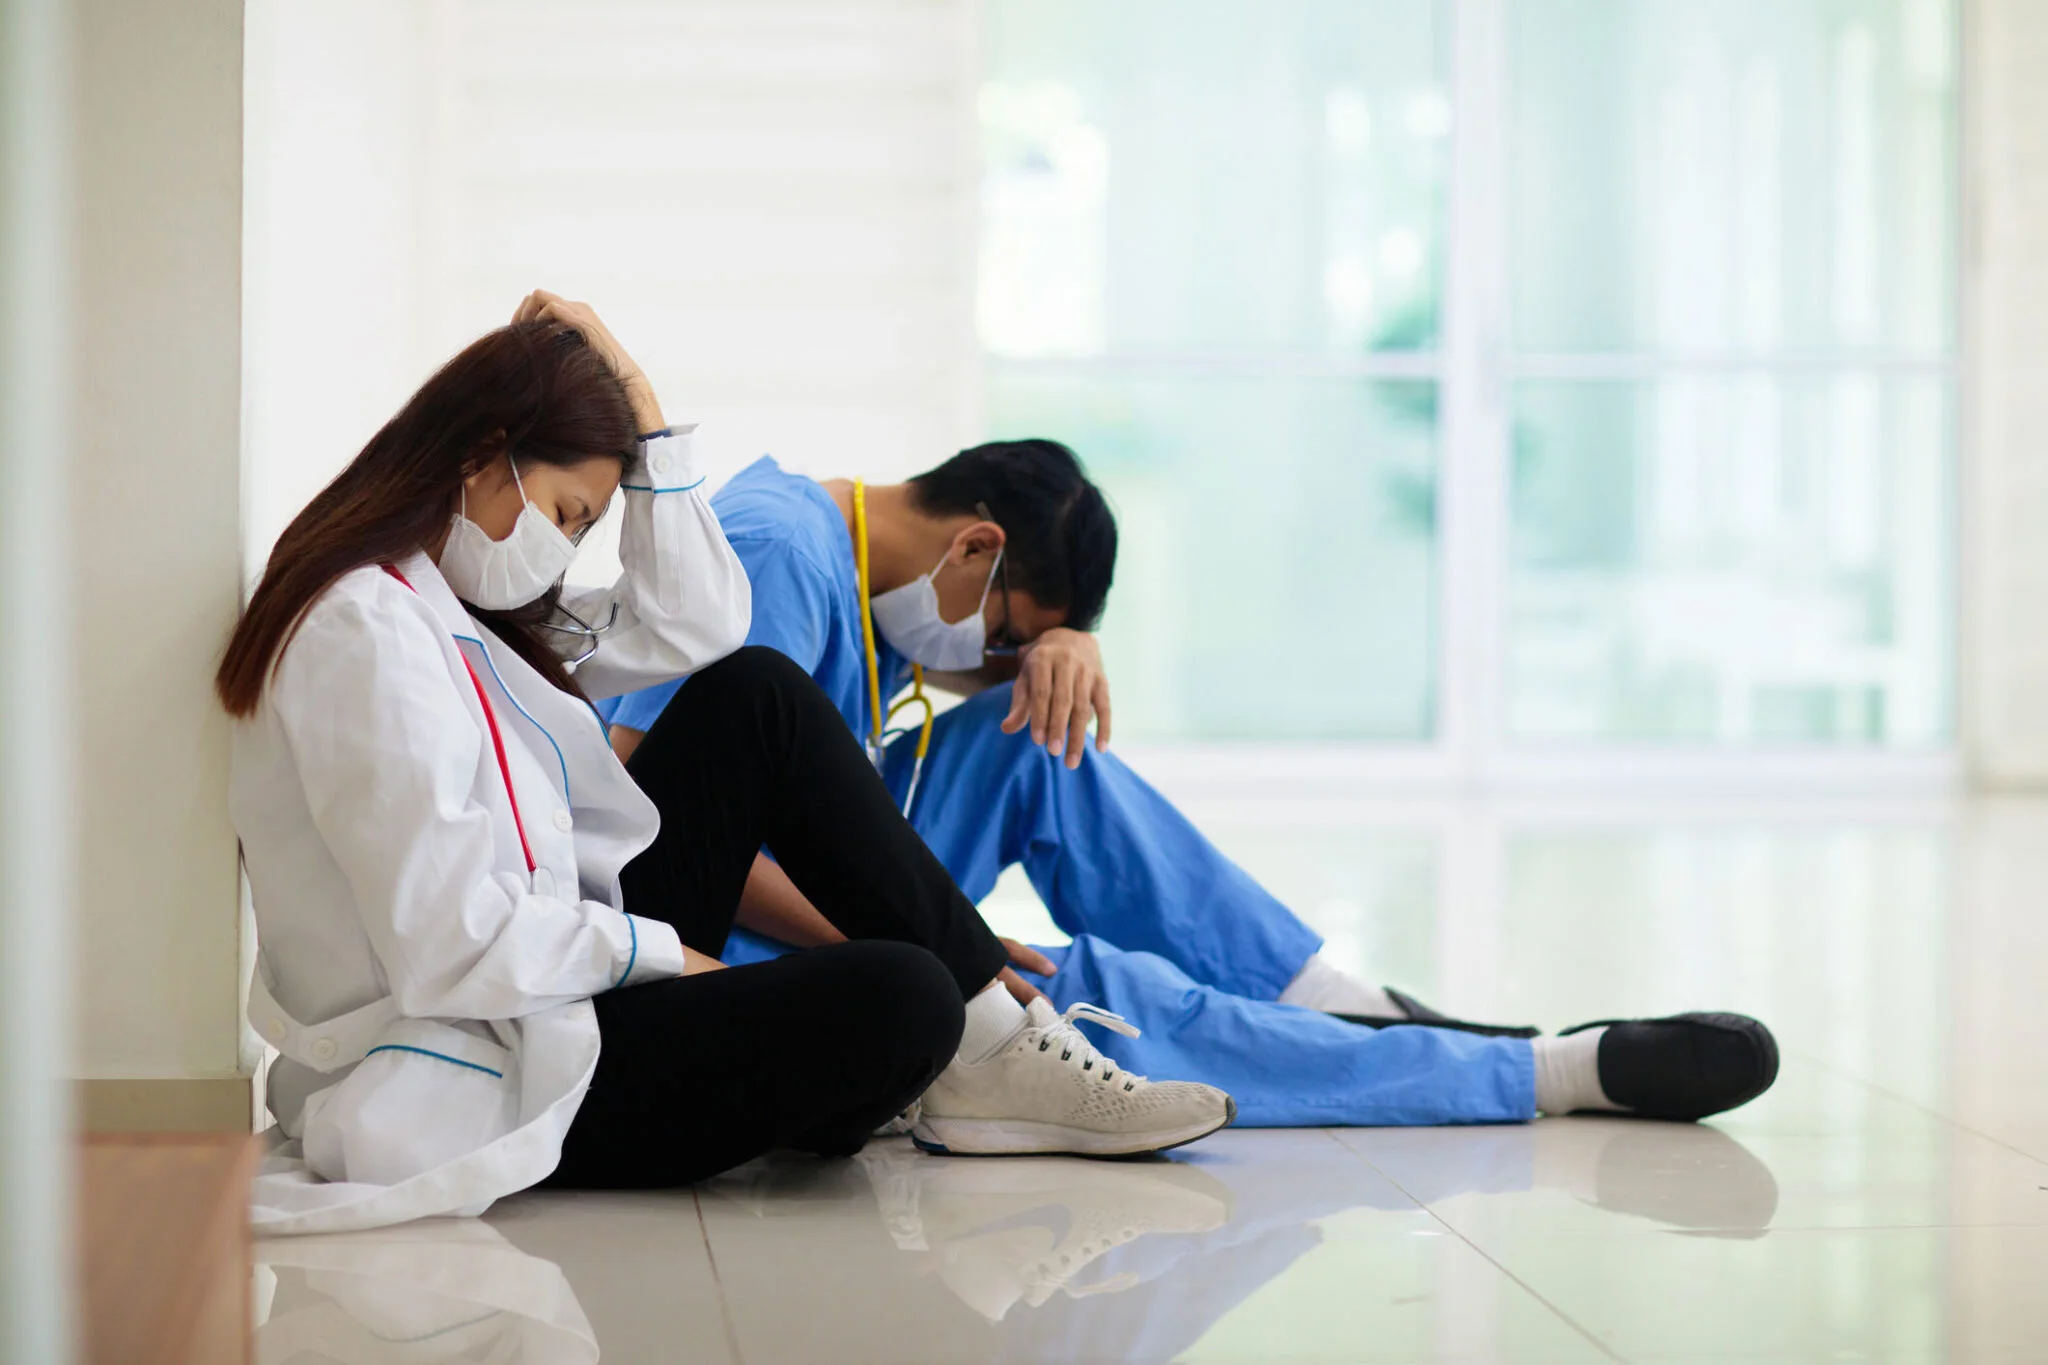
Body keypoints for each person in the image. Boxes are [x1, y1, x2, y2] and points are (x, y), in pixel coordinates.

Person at [220, 295, 1235, 1236]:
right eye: (567, 515)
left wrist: (648, 423)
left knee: (758, 694)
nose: (562, 552)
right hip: (484, 1062)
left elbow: (702, 625)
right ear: (485, 455)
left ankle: (991, 1050)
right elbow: (449, 943)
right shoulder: (365, 632)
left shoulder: (460, 609)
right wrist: (663, 953)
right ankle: (969, 1050)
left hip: (558, 1003)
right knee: (904, 996)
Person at [598, 444, 1781, 1130]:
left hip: (817, 872)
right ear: (974, 548)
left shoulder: (841, 553)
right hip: (725, 927)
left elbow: (861, 755)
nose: (992, 662)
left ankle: (1335, 998)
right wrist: (948, 948)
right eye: (1006, 635)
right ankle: (1538, 1074)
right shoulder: (781, 553)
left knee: (1029, 742)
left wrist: (1055, 655)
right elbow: (666, 816)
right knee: (1086, 992)